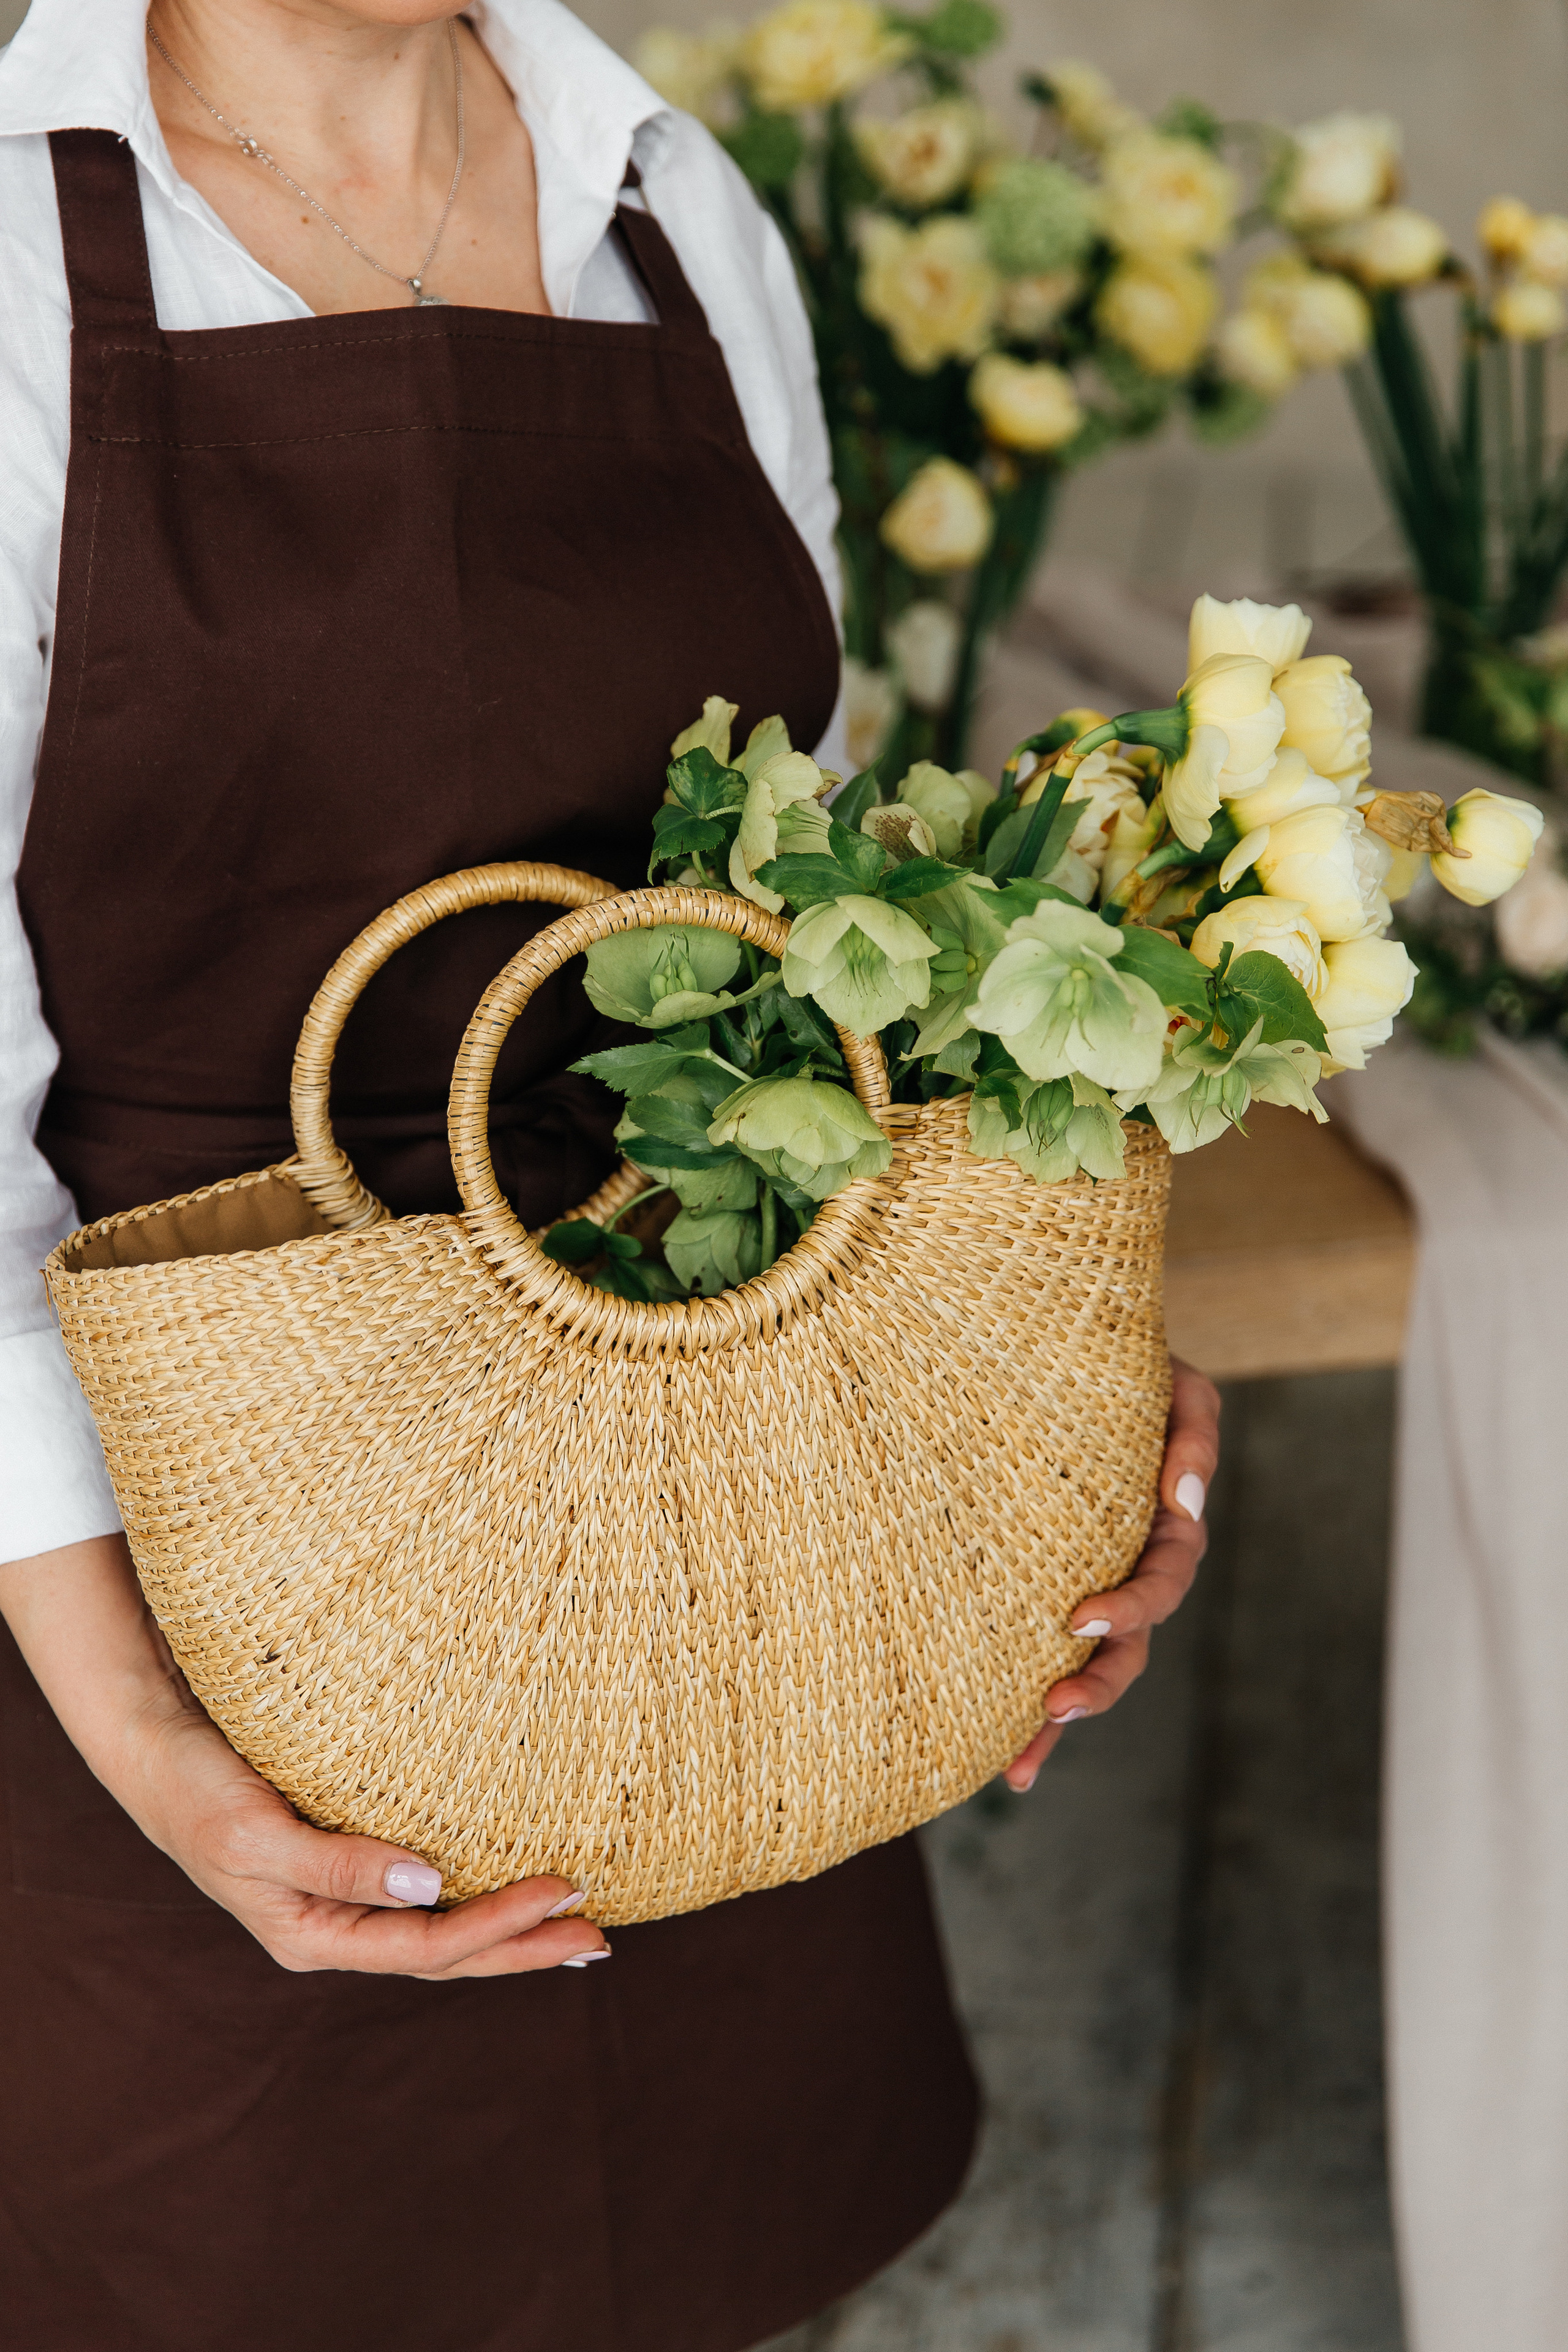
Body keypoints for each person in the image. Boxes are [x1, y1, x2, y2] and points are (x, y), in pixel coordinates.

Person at [0, 1, 1223, 2344]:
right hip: (188, 1551)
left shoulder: (674, 203)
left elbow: (833, 923)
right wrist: (154, 1746)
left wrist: (1035, 1382)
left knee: (709, 2240)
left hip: (726, 1517)